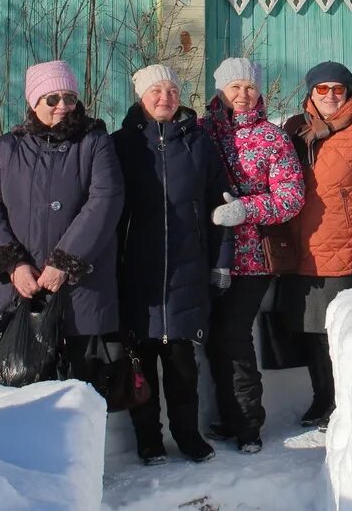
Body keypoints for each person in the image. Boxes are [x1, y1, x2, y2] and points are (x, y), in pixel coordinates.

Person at [0, 60, 124, 384]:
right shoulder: (8, 148)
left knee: (86, 392)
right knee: (23, 390)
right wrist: (13, 263)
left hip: (81, 290)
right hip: (23, 293)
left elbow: (105, 201)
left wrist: (65, 261)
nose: (62, 107)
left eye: (69, 98)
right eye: (52, 99)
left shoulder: (94, 142)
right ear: (34, 102)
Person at [113, 64, 233, 466]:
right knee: (141, 365)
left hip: (187, 270)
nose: (165, 97)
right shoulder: (122, 145)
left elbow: (221, 207)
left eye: (172, 90)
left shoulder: (199, 143)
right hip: (138, 274)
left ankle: (188, 436)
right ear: (141, 98)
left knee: (183, 368)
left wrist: (221, 262)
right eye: (156, 91)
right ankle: (148, 441)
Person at [280, 62, 352, 432]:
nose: (330, 96)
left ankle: (344, 403)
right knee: (311, 332)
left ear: (349, 93)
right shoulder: (297, 131)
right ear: (311, 93)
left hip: (344, 251)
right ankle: (321, 398)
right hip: (302, 249)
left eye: (337, 89)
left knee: (338, 336)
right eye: (322, 89)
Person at [200, 58, 305, 454]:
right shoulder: (201, 132)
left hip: (253, 260)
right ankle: (228, 417)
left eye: (249, 88)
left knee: (233, 333)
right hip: (208, 254)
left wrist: (247, 209)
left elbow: (291, 197)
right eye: (234, 88)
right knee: (212, 336)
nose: (243, 95)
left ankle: (248, 424)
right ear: (221, 91)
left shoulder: (273, 138)